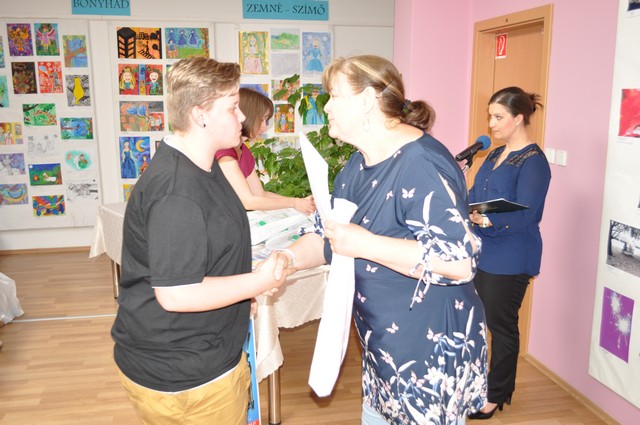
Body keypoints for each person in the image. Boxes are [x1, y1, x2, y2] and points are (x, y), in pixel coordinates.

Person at [282, 55, 488, 424]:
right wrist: (286, 260)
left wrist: (365, 244)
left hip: (427, 349)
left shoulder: (421, 164)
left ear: (365, 101)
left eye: (334, 95)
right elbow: (331, 237)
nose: (326, 107)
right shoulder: (357, 164)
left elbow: (458, 262)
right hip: (385, 345)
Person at [111, 57, 295, 425]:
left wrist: (241, 295)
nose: (241, 117)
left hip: (204, 357)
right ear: (200, 115)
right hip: (185, 375)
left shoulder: (204, 168)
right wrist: (259, 282)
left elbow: (207, 256)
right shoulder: (177, 191)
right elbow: (177, 293)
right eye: (232, 107)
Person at [467, 86, 551, 420]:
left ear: (518, 118)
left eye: (498, 117)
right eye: (490, 116)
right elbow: (476, 194)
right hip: (482, 250)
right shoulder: (493, 155)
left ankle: (496, 393)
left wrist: (487, 219)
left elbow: (527, 214)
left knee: (501, 327)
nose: (491, 124)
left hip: (511, 257)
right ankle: (476, 385)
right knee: (477, 322)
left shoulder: (533, 162)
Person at [216, 87, 315, 214]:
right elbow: (248, 201)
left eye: (266, 120)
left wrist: (299, 202)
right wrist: (294, 203)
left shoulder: (243, 150)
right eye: (262, 119)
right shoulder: (224, 152)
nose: (264, 127)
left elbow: (260, 194)